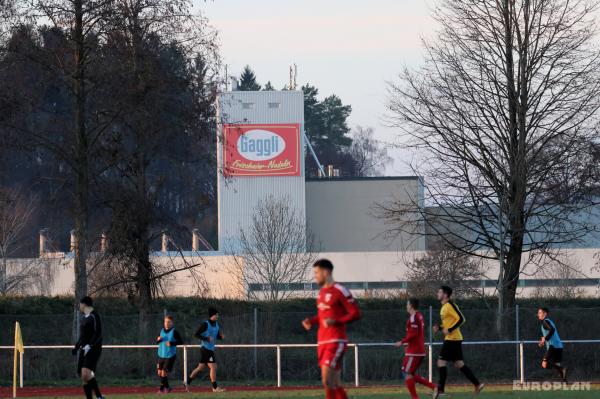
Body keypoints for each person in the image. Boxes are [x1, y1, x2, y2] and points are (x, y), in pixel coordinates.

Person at [302, 259, 361, 399]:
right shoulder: (321, 293)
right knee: (334, 383)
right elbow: (323, 316)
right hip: (322, 341)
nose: (315, 276)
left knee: (327, 380)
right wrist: (311, 321)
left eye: (316, 272)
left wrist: (336, 321)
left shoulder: (340, 290)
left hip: (335, 341)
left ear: (326, 272)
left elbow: (356, 313)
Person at [433, 286, 484, 398]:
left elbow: (461, 319)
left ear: (445, 294)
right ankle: (477, 384)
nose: (437, 293)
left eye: (439, 292)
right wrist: (440, 328)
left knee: (441, 362)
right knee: (459, 364)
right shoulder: (444, 307)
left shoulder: (450, 305)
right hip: (453, 338)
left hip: (452, 339)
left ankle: (441, 391)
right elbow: (449, 324)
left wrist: (449, 330)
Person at [395, 298, 437, 399]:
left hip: (414, 351)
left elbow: (414, 334)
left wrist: (402, 342)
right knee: (410, 374)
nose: (406, 306)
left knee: (406, 372)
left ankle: (416, 397)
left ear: (411, 306)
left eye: (407, 304)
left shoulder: (414, 317)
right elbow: (415, 334)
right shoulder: (419, 315)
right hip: (417, 350)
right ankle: (434, 387)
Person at [186, 308, 225, 392]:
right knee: (213, 367)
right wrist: (206, 338)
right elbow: (196, 334)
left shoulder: (216, 324)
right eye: (216, 314)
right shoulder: (205, 324)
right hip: (205, 349)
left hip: (210, 349)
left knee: (200, 368)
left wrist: (221, 337)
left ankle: (187, 382)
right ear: (212, 315)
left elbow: (216, 336)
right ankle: (215, 387)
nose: (218, 316)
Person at [72, 296, 104, 399]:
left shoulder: (95, 316)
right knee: (84, 376)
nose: (79, 306)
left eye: (80, 304)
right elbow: (82, 336)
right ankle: (97, 397)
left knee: (86, 373)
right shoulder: (83, 318)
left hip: (94, 349)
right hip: (83, 349)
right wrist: (77, 347)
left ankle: (99, 396)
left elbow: (98, 333)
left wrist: (90, 345)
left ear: (84, 304)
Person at [537, 307, 567, 382]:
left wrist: (545, 339)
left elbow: (552, 330)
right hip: (559, 346)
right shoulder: (549, 321)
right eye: (538, 313)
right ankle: (564, 382)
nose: (538, 314)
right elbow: (548, 334)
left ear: (545, 314)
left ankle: (562, 369)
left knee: (544, 364)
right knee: (557, 365)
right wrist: (542, 341)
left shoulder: (545, 322)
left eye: (540, 313)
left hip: (552, 346)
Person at [156, 315, 184, 393]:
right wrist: (158, 340)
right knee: (159, 373)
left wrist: (172, 343)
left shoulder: (174, 331)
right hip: (161, 354)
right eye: (165, 322)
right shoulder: (161, 330)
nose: (167, 323)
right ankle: (164, 388)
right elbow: (158, 341)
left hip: (170, 355)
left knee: (164, 373)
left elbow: (181, 342)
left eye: (169, 322)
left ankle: (165, 389)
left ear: (172, 323)